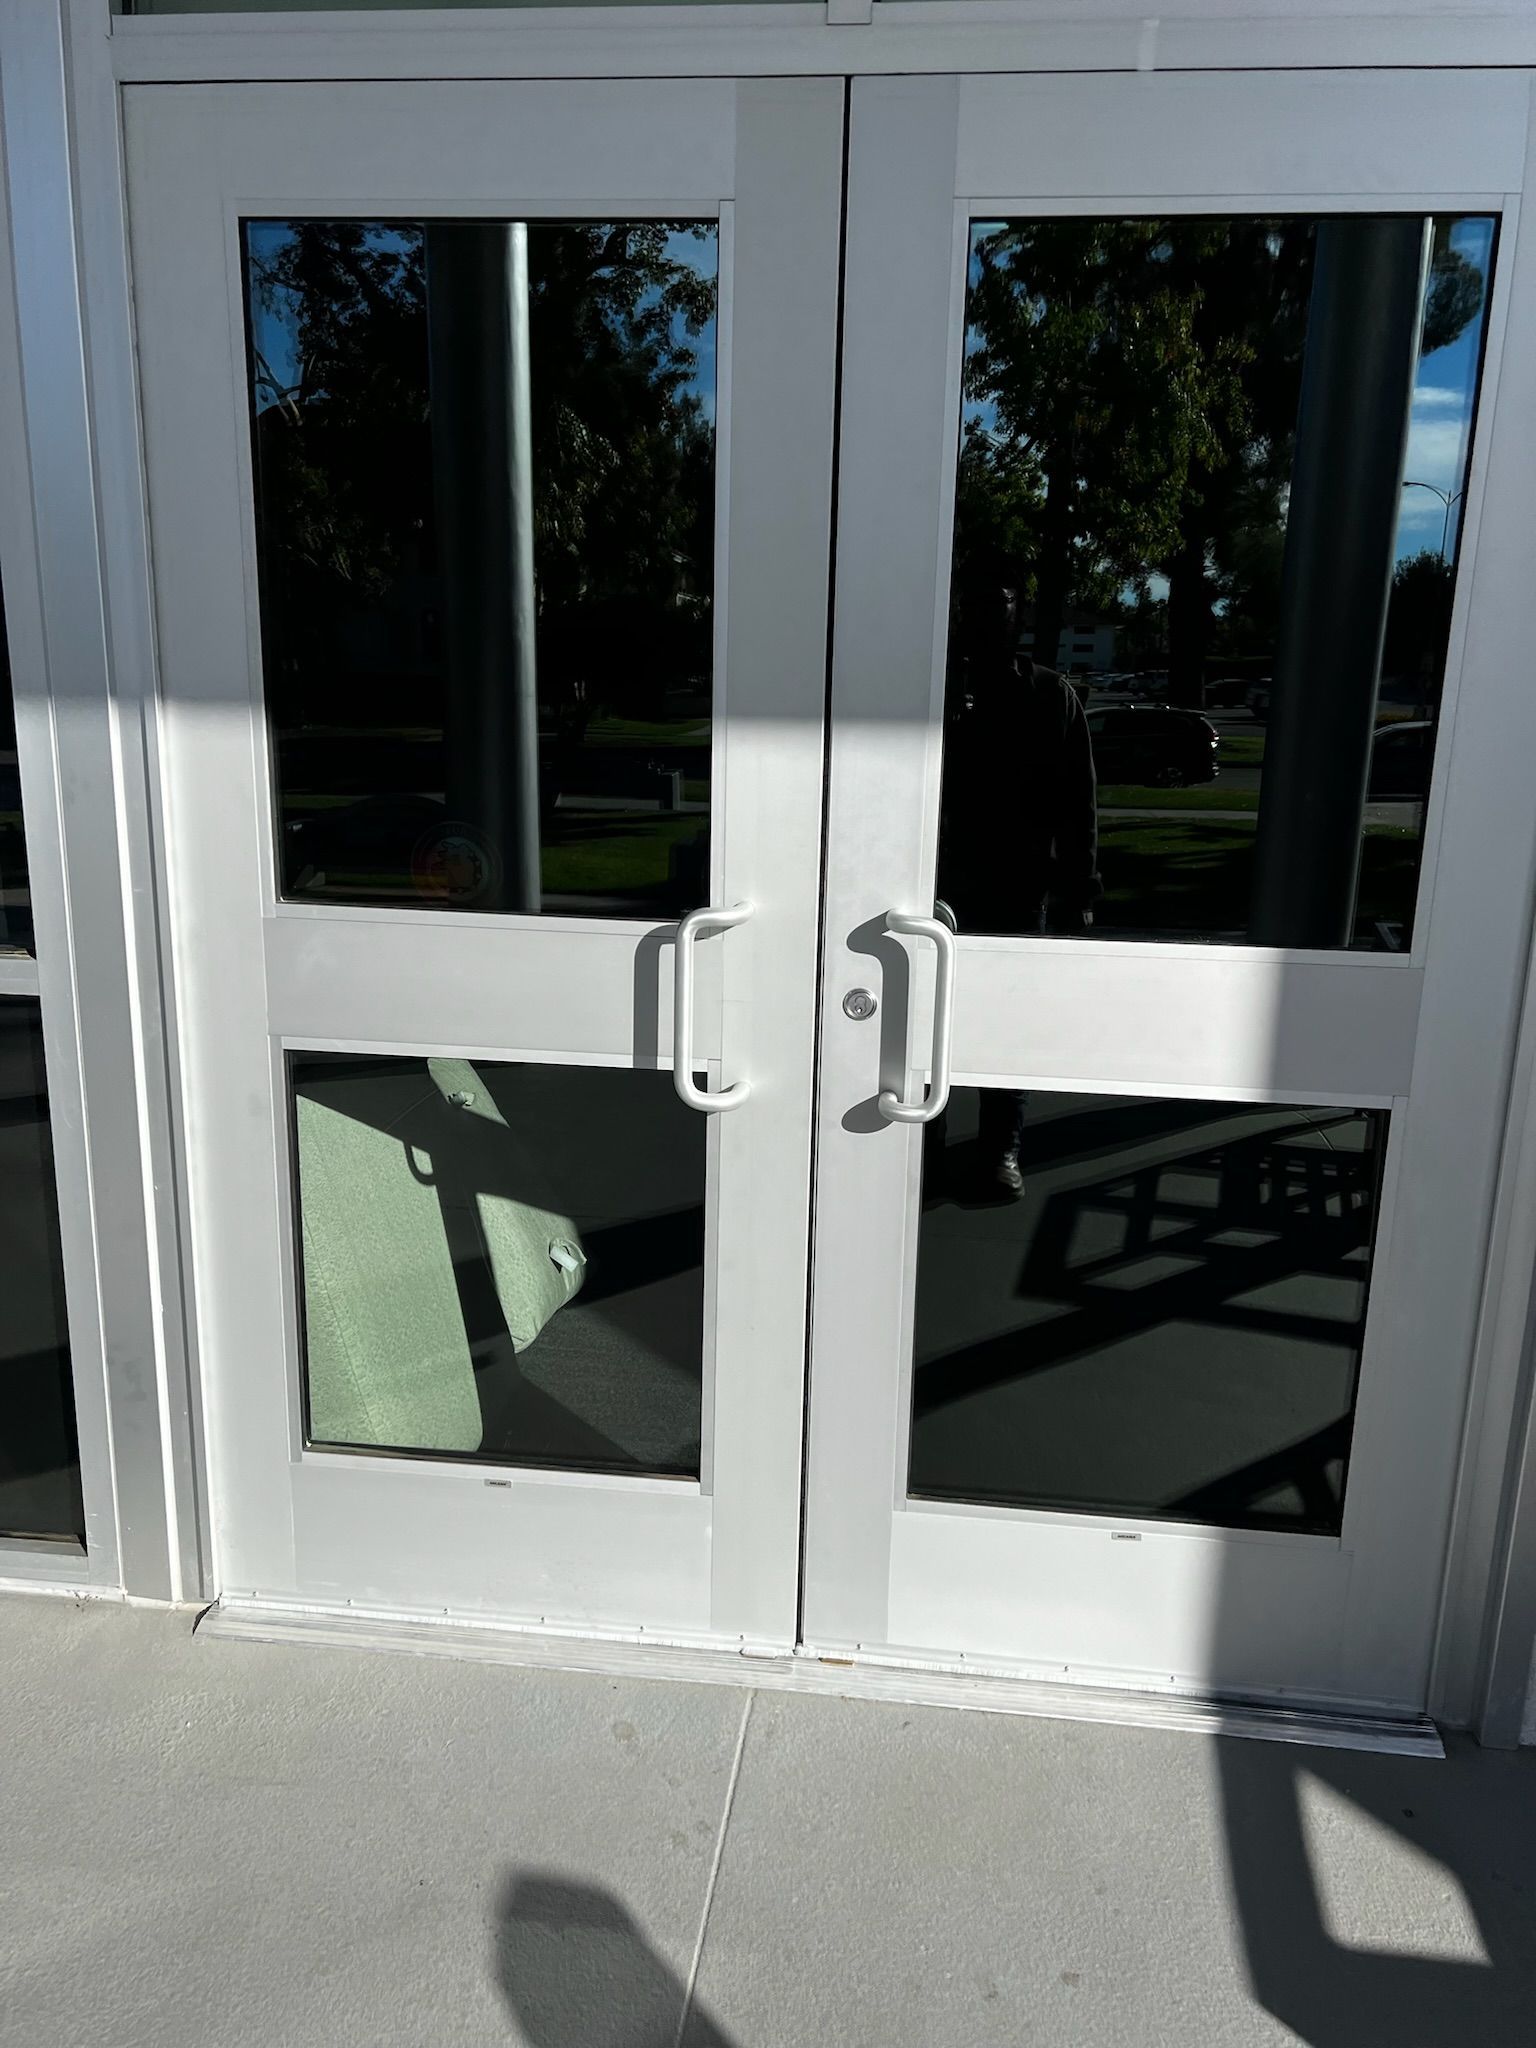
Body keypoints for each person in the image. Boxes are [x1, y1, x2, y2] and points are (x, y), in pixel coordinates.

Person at [937, 579, 1101, 1194]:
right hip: (938, 885)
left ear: (1019, 616)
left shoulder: (1048, 695)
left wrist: (1079, 890)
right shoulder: (938, 689)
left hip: (1016, 886)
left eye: (997, 606)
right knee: (928, 1019)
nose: (984, 617)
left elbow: (1078, 801)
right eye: (974, 606)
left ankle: (999, 1150)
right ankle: (921, 1147)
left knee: (1003, 1022)